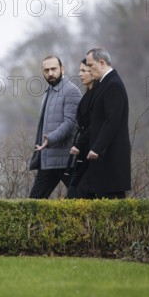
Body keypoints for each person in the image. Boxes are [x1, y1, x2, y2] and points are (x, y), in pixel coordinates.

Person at [79, 47, 131, 199]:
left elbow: (112, 120)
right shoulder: (104, 83)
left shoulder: (113, 84)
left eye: (90, 66)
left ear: (101, 63)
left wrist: (97, 148)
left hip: (110, 155)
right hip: (101, 155)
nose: (88, 70)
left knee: (112, 203)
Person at [28, 56, 82, 198]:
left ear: (62, 69)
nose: (50, 73)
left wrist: (49, 139)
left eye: (53, 69)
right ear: (43, 72)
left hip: (67, 159)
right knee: (33, 203)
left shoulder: (72, 91)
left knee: (81, 202)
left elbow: (70, 123)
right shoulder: (48, 92)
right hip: (48, 159)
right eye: (46, 70)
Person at [67, 59, 97, 198]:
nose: (80, 74)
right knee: (73, 194)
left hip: (91, 153)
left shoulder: (97, 95)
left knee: (79, 195)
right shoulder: (87, 94)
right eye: (80, 70)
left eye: (84, 71)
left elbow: (94, 124)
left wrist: (79, 144)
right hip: (82, 154)